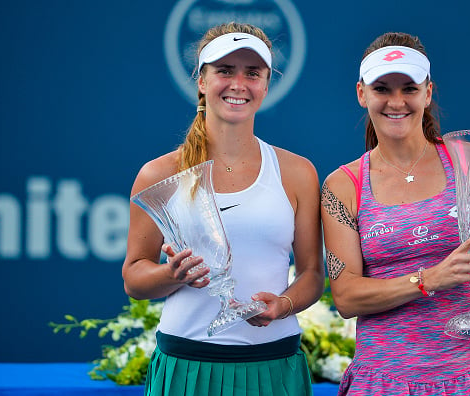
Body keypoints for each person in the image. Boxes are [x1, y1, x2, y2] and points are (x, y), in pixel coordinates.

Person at [320, 32, 470, 395]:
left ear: (428, 92)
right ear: (362, 94)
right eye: (382, 89)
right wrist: (430, 278)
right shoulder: (343, 184)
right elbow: (346, 297)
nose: (396, 101)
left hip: (468, 379)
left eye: (409, 88)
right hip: (380, 382)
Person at [122, 22, 324, 396]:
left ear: (266, 84)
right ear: (202, 81)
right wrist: (173, 275)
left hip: (275, 367)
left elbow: (312, 274)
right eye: (224, 71)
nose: (238, 84)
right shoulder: (159, 173)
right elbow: (134, 277)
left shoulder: (298, 172)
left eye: (252, 73)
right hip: (187, 368)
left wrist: (283, 304)